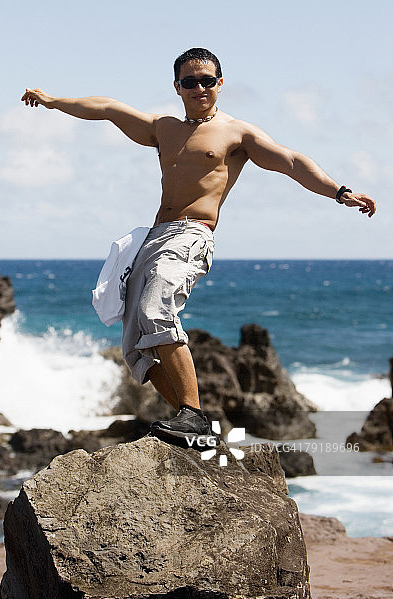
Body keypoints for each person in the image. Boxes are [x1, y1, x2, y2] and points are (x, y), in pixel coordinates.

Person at [21, 47, 376, 443]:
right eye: (190, 81)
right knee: (136, 344)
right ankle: (195, 428)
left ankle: (193, 414)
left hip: (192, 234)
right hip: (153, 237)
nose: (199, 87)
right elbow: (107, 107)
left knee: (156, 308)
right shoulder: (164, 128)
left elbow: (290, 161)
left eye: (207, 80)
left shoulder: (236, 133)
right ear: (178, 86)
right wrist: (52, 101)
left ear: (220, 83)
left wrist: (339, 191)